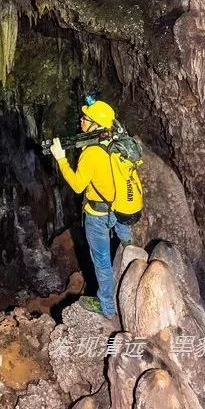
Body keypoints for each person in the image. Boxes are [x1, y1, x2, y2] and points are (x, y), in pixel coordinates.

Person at [49, 99, 139, 318]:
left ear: (96, 124)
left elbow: (78, 185)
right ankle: (130, 249)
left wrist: (61, 159)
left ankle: (106, 306)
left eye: (85, 118)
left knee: (101, 261)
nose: (81, 121)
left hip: (98, 215)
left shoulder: (91, 154)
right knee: (122, 232)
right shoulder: (117, 140)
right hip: (119, 207)